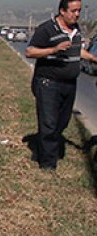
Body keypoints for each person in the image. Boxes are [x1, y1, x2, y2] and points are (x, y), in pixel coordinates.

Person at [26, 0, 97, 170]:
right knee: (48, 122)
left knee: (62, 122)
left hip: (69, 84)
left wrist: (93, 58)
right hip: (48, 83)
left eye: (79, 11)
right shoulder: (46, 29)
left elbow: (77, 50)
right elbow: (30, 51)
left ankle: (45, 147)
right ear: (62, 11)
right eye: (73, 11)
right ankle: (48, 163)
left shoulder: (76, 30)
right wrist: (53, 50)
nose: (77, 14)